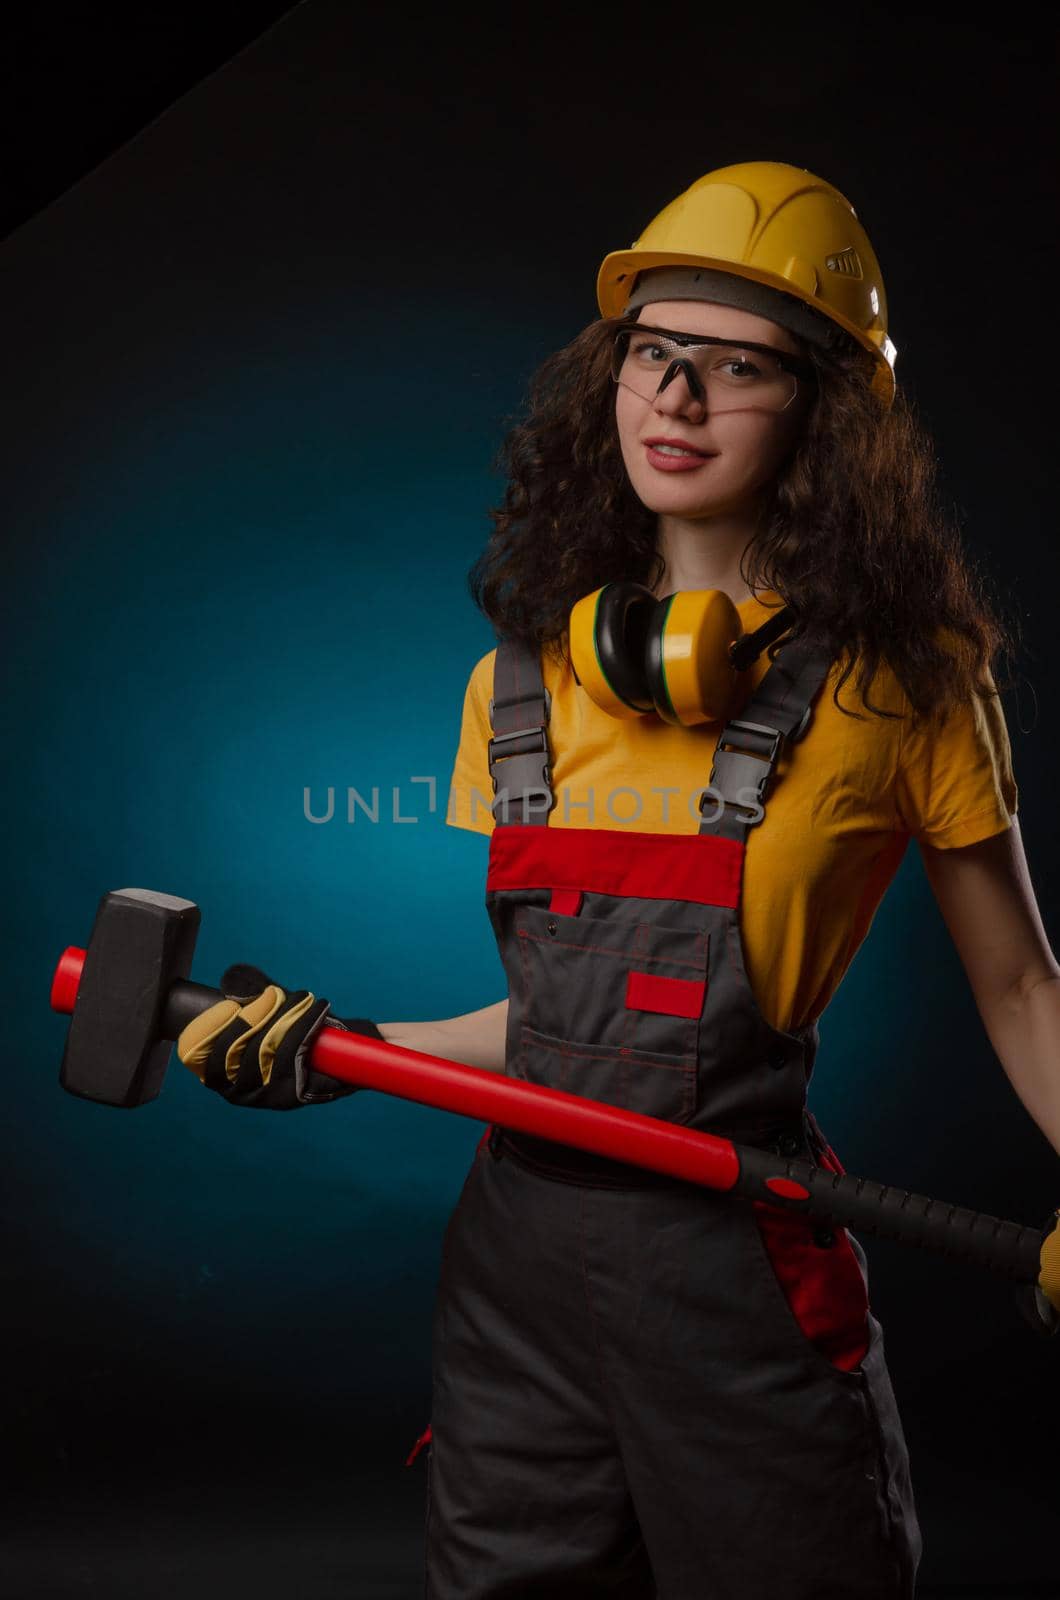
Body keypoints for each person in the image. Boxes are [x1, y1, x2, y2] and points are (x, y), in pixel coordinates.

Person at [177, 162, 1060, 1597]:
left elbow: (1024, 991)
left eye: (738, 367)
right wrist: (337, 1053)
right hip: (517, 1272)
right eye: (654, 353)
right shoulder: (514, 689)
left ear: (830, 412)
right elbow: (565, 1028)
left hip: (739, 1267)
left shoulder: (913, 690)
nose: (678, 399)